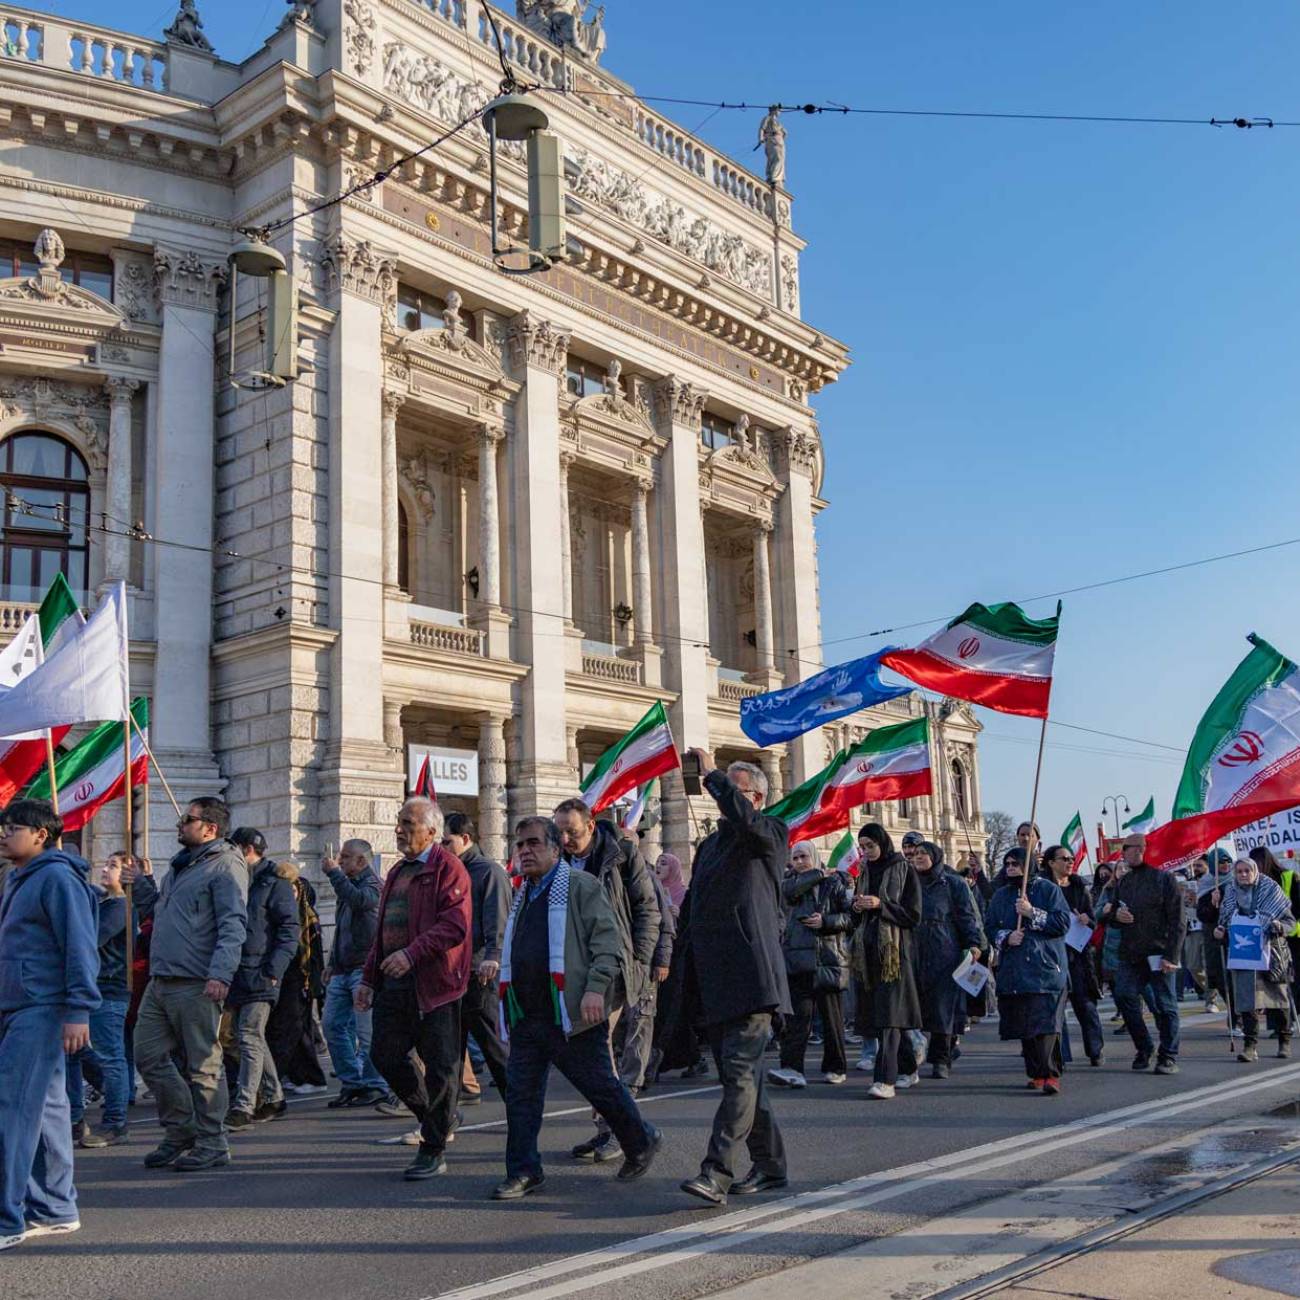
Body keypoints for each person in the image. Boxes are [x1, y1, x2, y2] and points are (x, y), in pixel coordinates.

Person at [491, 816, 661, 1200]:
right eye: (520, 845)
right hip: (527, 1013)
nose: (525, 851)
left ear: (555, 848)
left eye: (533, 843)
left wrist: (595, 990)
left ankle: (641, 1139)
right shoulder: (523, 893)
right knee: (521, 1095)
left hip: (572, 1014)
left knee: (599, 1087)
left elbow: (607, 942)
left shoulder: (580, 886)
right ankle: (523, 1171)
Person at [678, 752, 790, 1206]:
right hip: (716, 981)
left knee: (740, 1077)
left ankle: (716, 1172)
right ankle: (770, 1165)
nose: (721, 797)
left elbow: (746, 821)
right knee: (746, 1082)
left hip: (753, 978)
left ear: (756, 798)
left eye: (734, 790)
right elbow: (693, 909)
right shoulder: (710, 846)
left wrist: (713, 776)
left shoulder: (769, 833)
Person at [0, 800, 99, 1251]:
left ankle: (7, 1219)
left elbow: (80, 945)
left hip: (41, 1006)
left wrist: (79, 1009)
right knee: (47, 1110)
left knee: (13, 1110)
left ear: (41, 834)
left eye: (13, 827)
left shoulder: (57, 877)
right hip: (19, 1004)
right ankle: (57, 1208)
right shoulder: (17, 878)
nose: (3, 833)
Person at [357, 797, 471, 1180]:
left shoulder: (448, 869)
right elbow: (382, 934)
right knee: (385, 1054)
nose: (399, 829)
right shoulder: (397, 872)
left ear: (432, 831)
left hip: (435, 986)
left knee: (441, 1068)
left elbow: (455, 926)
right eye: (399, 822)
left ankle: (433, 1147)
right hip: (395, 984)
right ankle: (435, 1118)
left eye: (408, 822)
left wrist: (412, 953)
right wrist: (369, 979)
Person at [134, 796, 248, 1172]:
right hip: (162, 980)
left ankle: (213, 1142)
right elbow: (164, 913)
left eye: (188, 819)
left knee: (203, 1066)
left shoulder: (224, 866)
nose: (180, 824)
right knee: (147, 1054)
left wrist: (221, 973)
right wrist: (143, 886)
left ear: (210, 828)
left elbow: (233, 925)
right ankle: (180, 1129)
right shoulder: (182, 866)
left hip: (196, 982)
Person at [552, 797, 659, 1163]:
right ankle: (614, 1130)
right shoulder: (558, 864)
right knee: (590, 1060)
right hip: (574, 973)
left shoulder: (622, 855)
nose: (565, 839)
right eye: (560, 832)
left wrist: (641, 961)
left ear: (591, 825)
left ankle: (622, 1133)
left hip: (613, 969)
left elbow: (647, 908)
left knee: (600, 1057)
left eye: (572, 831)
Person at [67, 851, 158, 1147]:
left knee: (110, 1056)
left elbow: (91, 938)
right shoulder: (103, 902)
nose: (106, 869)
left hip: (110, 988)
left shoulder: (121, 907)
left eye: (115, 866)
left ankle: (115, 1121)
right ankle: (74, 1118)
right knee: (75, 1053)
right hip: (93, 988)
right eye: (105, 864)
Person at [224, 828, 299, 1129]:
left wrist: (273, 970)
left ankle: (243, 1105)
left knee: (248, 1034)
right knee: (251, 1037)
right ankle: (274, 1097)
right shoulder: (234, 880)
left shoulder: (274, 883)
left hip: (261, 973)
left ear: (246, 849)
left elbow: (289, 930)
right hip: (237, 971)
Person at [985, 848, 1071, 1093]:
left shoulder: (1048, 890)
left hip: (1044, 967)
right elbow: (990, 926)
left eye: (1016, 863)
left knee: (1045, 1024)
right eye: (1008, 863)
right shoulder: (1001, 896)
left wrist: (1032, 913)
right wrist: (1005, 937)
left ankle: (1050, 1074)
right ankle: (1035, 1073)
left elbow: (1062, 923)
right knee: (1025, 1025)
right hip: (1015, 968)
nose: (1011, 867)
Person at [770, 841, 853, 1088]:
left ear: (814, 856)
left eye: (803, 856)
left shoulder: (834, 883)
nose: (798, 862)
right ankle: (791, 1068)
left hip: (828, 958)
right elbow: (788, 892)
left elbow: (850, 918)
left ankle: (835, 1067)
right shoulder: (789, 883)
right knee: (797, 1020)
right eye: (794, 858)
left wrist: (826, 921)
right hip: (798, 961)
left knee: (832, 1020)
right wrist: (817, 873)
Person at [441, 812, 511, 1102]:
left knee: (493, 1046)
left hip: (479, 973)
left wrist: (492, 957)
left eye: (447, 841)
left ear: (465, 839)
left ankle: (520, 1107)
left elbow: (498, 919)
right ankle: (446, 1114)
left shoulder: (488, 872)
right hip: (451, 973)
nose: (442, 847)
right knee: (448, 1048)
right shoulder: (449, 871)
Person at [1100, 833, 1184, 1074]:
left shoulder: (1164, 880)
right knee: (1124, 995)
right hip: (1131, 954)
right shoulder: (1125, 882)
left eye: (1135, 848)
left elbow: (1178, 921)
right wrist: (1115, 915)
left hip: (1159, 953)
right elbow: (1111, 914)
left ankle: (1168, 1055)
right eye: (1127, 849)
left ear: (1144, 850)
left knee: (1166, 1005)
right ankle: (1145, 1047)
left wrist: (1172, 956)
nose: (1130, 853)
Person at [850, 823, 922, 1100]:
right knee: (883, 1015)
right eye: (863, 846)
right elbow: (857, 916)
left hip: (895, 953)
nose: (866, 851)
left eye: (870, 845)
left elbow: (913, 915)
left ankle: (884, 1080)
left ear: (882, 843)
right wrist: (856, 906)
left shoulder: (904, 869)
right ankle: (908, 1068)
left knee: (890, 1017)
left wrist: (881, 905)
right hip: (868, 953)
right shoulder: (864, 872)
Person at [320, 840, 387, 1108]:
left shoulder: (372, 885)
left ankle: (374, 1085)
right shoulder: (347, 887)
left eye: (346, 857)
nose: (340, 861)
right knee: (332, 1025)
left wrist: (334, 874)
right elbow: (341, 929)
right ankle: (352, 1082)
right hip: (343, 969)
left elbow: (360, 902)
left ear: (362, 861)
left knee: (367, 1032)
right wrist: (331, 962)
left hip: (365, 970)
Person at [912, 841, 985, 1079]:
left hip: (945, 950)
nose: (918, 857)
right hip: (915, 950)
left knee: (944, 1008)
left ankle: (940, 1058)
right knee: (919, 1006)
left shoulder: (953, 883)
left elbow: (966, 916)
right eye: (916, 854)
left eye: (924, 853)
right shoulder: (908, 882)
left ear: (935, 856)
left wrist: (973, 944)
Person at [1215, 857, 1296, 1061]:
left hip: (1272, 951)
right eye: (1239, 871)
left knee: (1278, 997)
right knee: (1246, 999)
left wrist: (1279, 926)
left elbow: (1290, 922)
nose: (1243, 875)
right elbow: (1224, 920)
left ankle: (1284, 1041)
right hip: (1244, 954)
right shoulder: (1231, 892)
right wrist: (1220, 930)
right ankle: (1250, 1046)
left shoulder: (1271, 890)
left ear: (1255, 872)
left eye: (1247, 871)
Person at [266, 859, 326, 1093]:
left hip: (299, 978)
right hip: (287, 976)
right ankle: (301, 1076)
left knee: (289, 1028)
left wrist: (315, 983)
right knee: (295, 1030)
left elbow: (312, 954)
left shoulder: (306, 916)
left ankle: (297, 1077)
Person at [1043, 843, 1105, 1067]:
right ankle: (1061, 1055)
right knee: (1056, 1008)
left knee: (1086, 1005)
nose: (1070, 862)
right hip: (1053, 954)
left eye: (1071, 859)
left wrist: (1087, 920)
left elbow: (1092, 918)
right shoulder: (1044, 888)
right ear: (1051, 863)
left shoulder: (1079, 888)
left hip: (1077, 955)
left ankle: (1095, 1050)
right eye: (1064, 859)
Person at [655, 851, 686, 919]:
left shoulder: (684, 894)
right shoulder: (653, 890)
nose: (658, 866)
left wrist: (680, 914)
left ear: (673, 868)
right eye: (657, 862)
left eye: (663, 864)